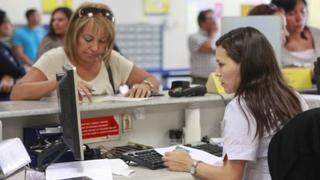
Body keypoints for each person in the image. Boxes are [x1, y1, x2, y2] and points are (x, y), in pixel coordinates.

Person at [162, 27, 308, 180]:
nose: (217, 72)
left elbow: (230, 176)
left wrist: (190, 164)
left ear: (245, 65)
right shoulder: (293, 97)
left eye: (221, 64)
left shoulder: (242, 107)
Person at [10, 2, 160, 102]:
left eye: (102, 41)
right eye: (88, 39)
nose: (95, 48)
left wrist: (146, 85)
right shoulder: (55, 58)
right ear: (74, 35)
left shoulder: (111, 60)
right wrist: (60, 83)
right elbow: (17, 93)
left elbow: (152, 79)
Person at [271, 0, 320, 68]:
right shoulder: (273, 43)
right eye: (292, 13)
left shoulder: (318, 34)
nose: (300, 18)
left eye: (302, 11)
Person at [0, 10, 25, 101]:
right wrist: (10, 75)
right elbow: (19, 71)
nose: (10, 25)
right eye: (6, 21)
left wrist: (9, 76)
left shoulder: (3, 46)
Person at [188, 9, 218, 85]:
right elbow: (208, 48)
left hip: (217, 79)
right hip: (200, 80)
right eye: (210, 19)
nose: (214, 21)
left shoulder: (217, 36)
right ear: (202, 22)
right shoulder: (194, 37)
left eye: (214, 18)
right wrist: (212, 34)